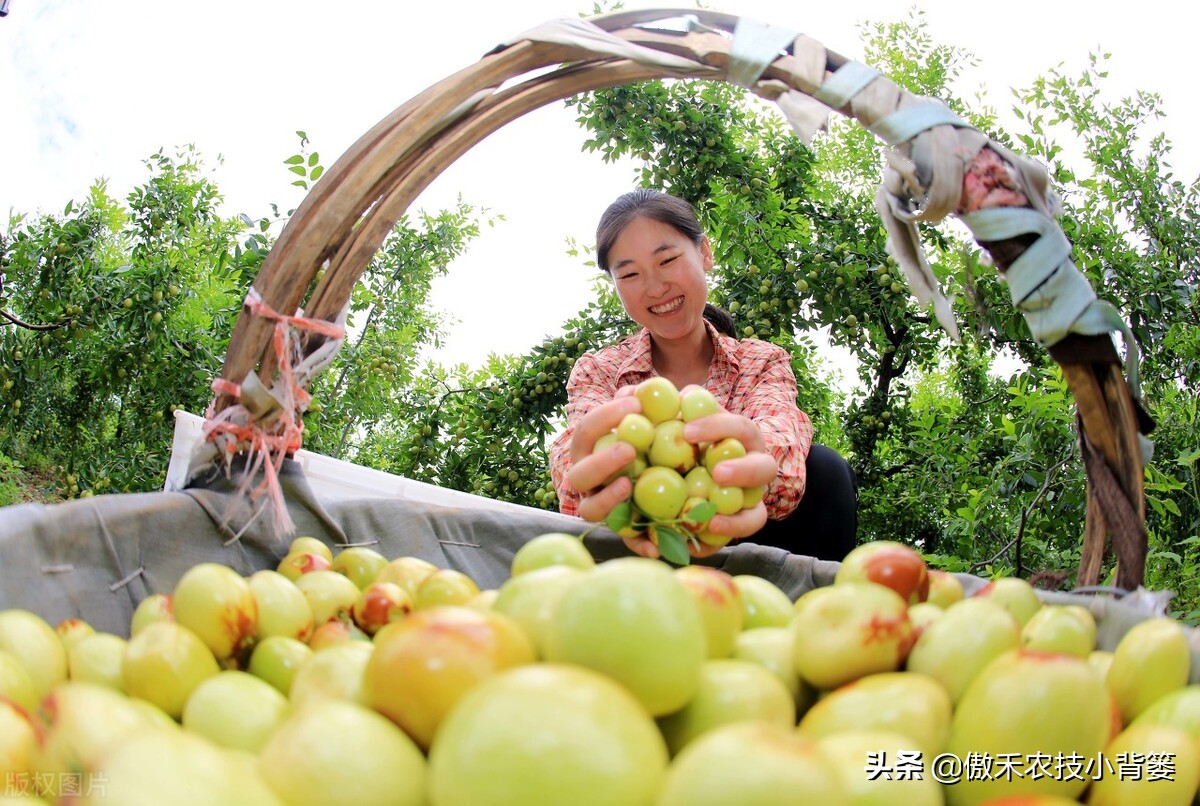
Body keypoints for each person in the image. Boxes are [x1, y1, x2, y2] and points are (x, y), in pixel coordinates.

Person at [548, 189, 858, 562]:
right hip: (645, 543)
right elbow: (572, 464)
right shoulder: (600, 370)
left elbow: (784, 450)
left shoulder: (761, 361)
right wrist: (595, 479)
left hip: (747, 542)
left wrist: (735, 473)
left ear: (705, 253)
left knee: (826, 469)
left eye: (667, 260)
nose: (655, 287)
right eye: (629, 273)